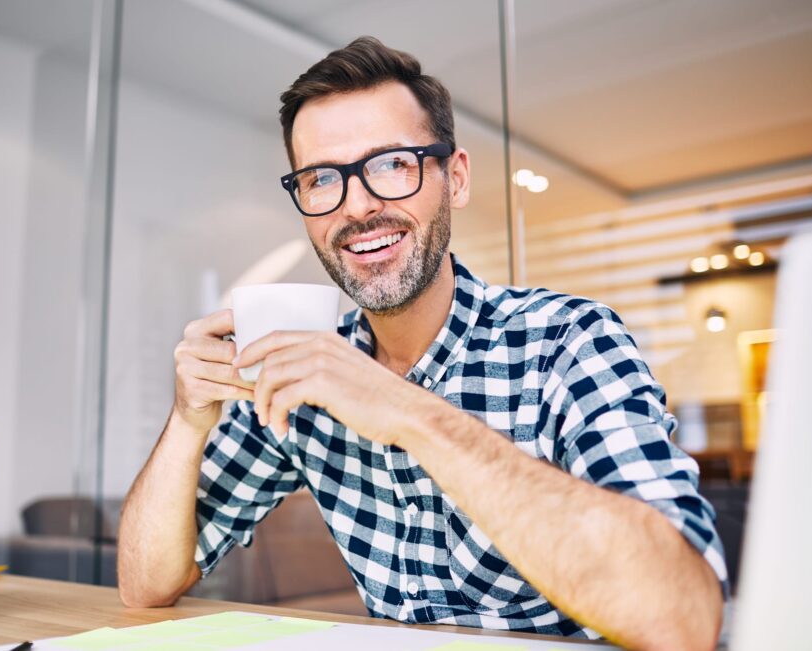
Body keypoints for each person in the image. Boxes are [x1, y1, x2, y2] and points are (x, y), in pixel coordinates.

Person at [117, 37, 726, 651]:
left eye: (390, 165)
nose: (356, 206)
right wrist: (189, 420)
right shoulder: (302, 371)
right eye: (321, 178)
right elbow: (144, 583)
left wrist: (407, 411)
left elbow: (683, 619)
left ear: (454, 179)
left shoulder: (567, 342)